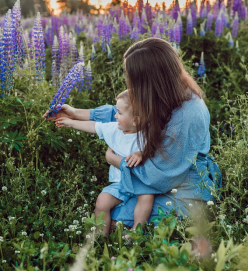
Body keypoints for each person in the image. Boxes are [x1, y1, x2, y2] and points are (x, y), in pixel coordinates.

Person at [43, 37, 221, 231]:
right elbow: (129, 114)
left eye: (133, 79)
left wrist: (116, 161)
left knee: (117, 219)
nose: (130, 85)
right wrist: (76, 113)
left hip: (183, 185)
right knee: (110, 210)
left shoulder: (187, 114)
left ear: (151, 80)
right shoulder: (168, 93)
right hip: (161, 175)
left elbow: (160, 177)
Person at [54, 90, 154, 235]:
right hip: (119, 184)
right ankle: (100, 237)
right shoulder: (114, 129)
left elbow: (156, 149)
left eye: (119, 113)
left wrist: (141, 153)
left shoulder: (148, 134)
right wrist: (70, 122)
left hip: (140, 182)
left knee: (147, 197)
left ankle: (136, 231)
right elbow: (94, 126)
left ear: (135, 120)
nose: (115, 116)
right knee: (102, 201)